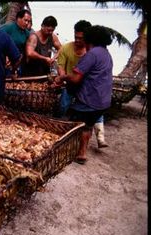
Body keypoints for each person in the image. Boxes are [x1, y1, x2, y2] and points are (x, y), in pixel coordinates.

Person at [54, 25, 113, 164]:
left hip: (90, 100)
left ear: (89, 40)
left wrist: (62, 78)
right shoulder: (106, 53)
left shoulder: (92, 54)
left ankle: (66, 151)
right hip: (103, 101)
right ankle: (82, 153)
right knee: (88, 125)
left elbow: (75, 78)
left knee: (74, 124)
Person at [0, 9, 32, 76]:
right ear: (18, 18)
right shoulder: (7, 28)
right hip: (3, 61)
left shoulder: (27, 33)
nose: (27, 23)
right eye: (25, 20)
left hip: (17, 63)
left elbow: (25, 51)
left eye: (28, 21)